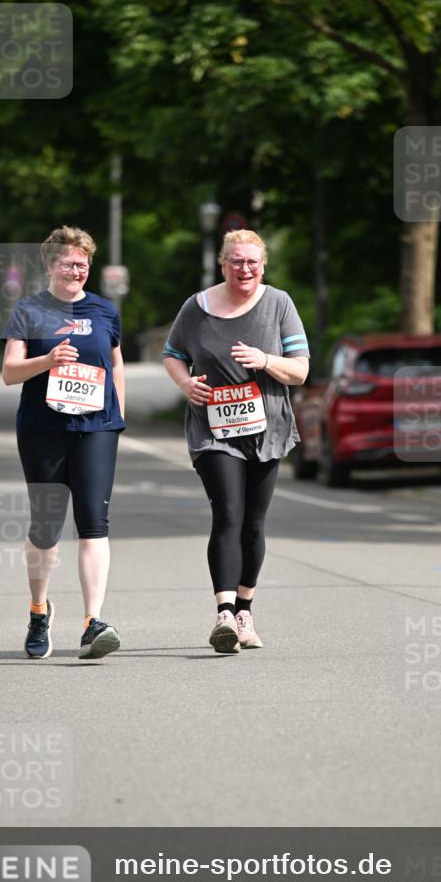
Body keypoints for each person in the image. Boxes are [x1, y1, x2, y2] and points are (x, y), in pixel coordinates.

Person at [163, 229, 309, 653]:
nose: (244, 269)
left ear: (262, 265)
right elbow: (173, 353)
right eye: (236, 261)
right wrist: (185, 383)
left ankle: (245, 610)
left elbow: (300, 370)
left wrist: (265, 360)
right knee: (228, 510)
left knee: (254, 521)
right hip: (214, 430)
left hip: (267, 427)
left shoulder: (279, 303)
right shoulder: (197, 307)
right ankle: (224, 613)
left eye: (252, 262)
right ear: (222, 264)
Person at [2, 225, 125, 660]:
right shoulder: (29, 311)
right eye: (70, 262)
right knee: (46, 530)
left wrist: (117, 418)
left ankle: (94, 623)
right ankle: (39, 611)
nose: (78, 269)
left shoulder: (105, 311)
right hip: (43, 430)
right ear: (50, 266)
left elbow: (115, 366)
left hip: (96, 429)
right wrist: (48, 359)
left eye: (84, 263)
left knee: (95, 524)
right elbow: (10, 371)